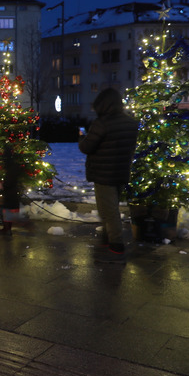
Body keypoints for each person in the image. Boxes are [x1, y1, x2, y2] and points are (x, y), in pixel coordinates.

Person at [78, 88, 139, 260]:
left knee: (108, 210)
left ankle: (116, 243)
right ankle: (106, 237)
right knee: (109, 207)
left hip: (103, 173)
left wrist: (81, 136)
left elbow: (86, 147)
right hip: (121, 171)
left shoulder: (101, 123)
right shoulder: (130, 123)